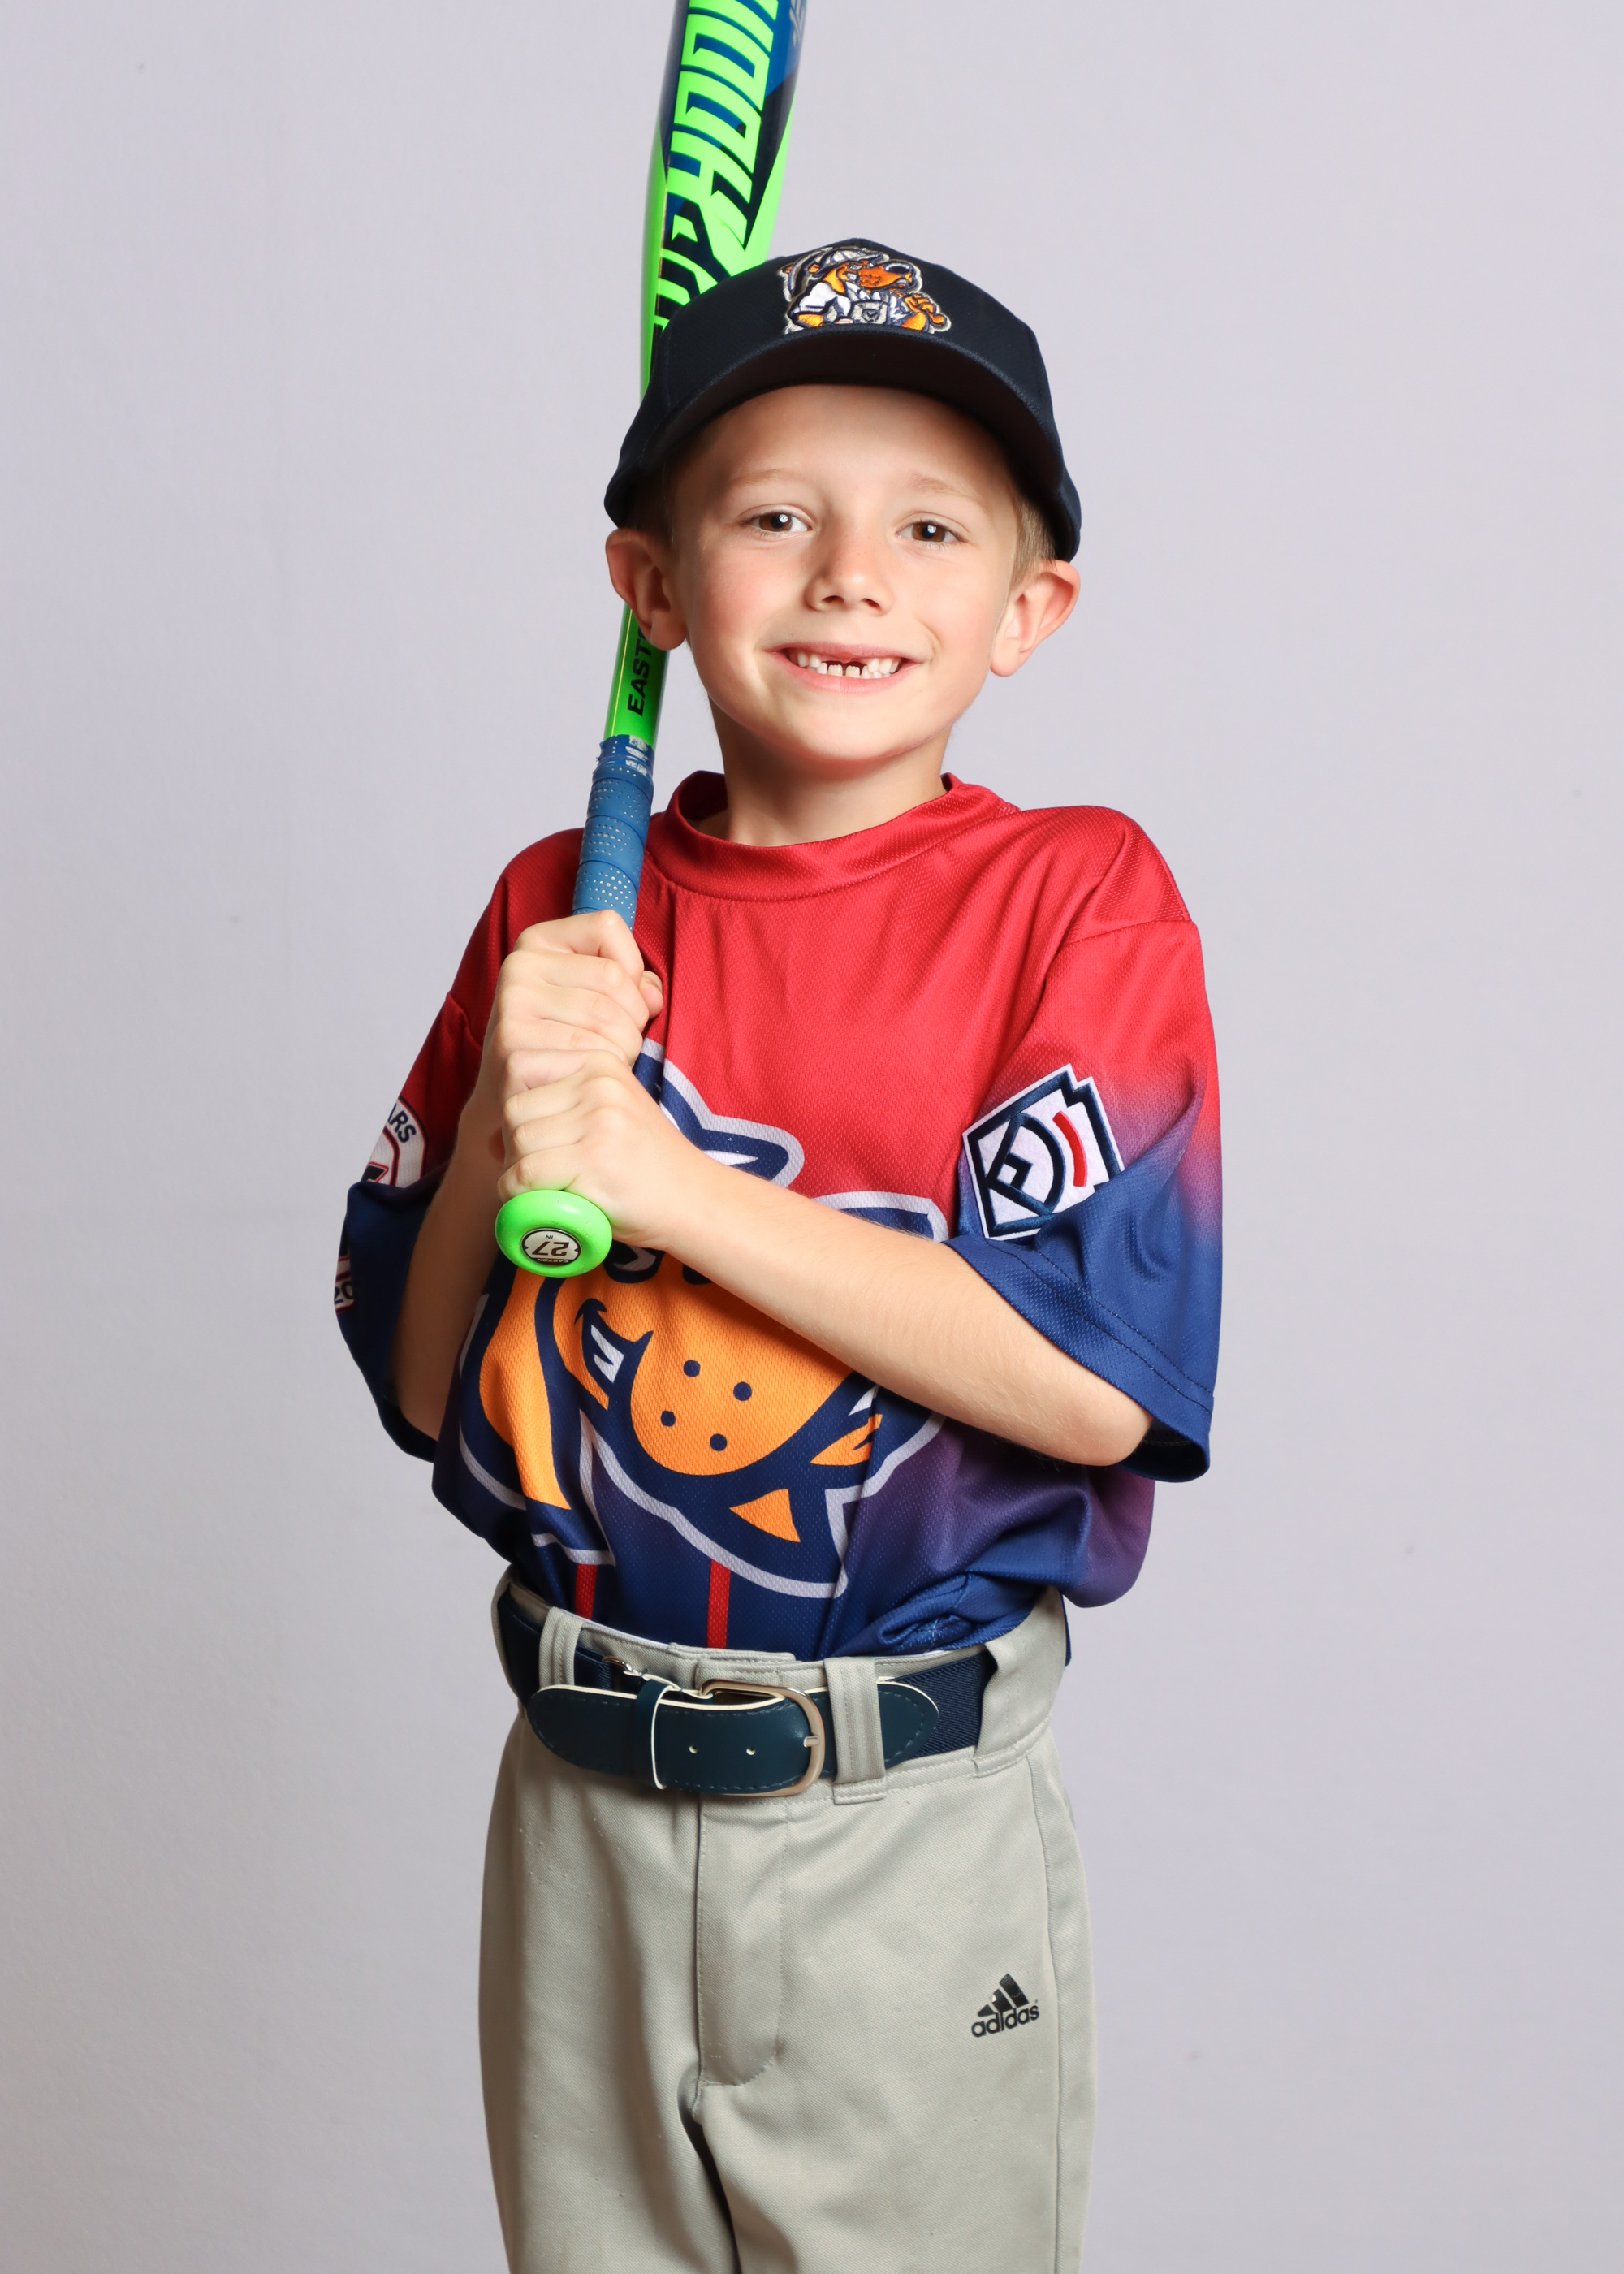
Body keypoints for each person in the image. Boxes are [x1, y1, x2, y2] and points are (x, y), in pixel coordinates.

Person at [336, 240, 1221, 2273]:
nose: (849, 575)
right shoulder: (560, 908)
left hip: (892, 1814)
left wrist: (664, 1182)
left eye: (930, 528)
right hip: (578, 1800)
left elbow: (1091, 1382)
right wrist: (508, 1127)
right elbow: (425, 1378)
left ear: (1027, 609)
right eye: (771, 517)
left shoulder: (1073, 896)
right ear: (651, 585)